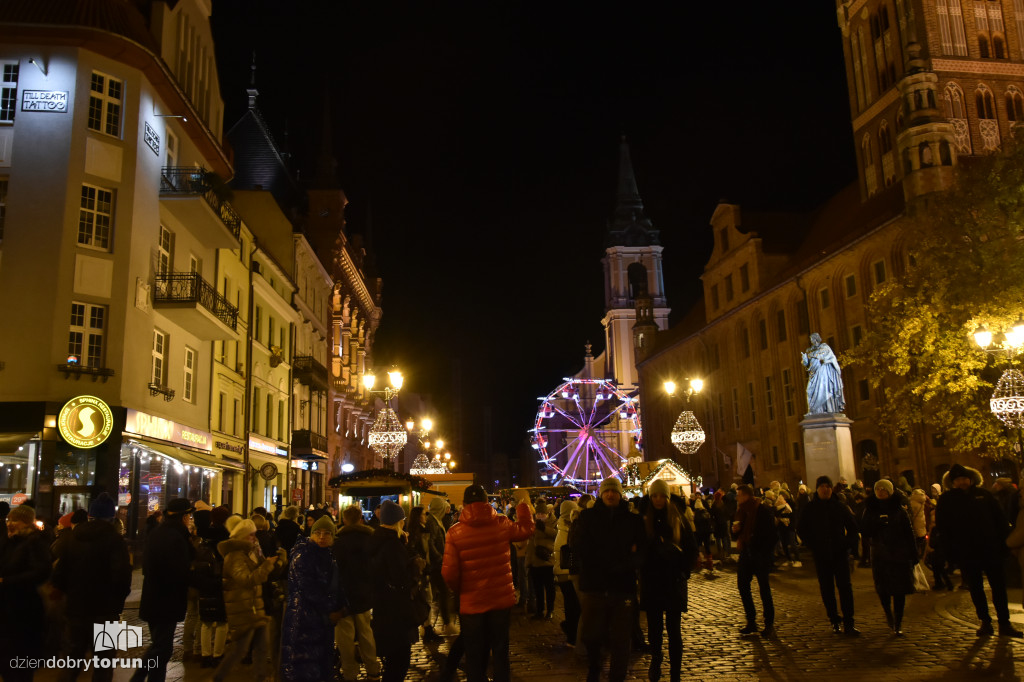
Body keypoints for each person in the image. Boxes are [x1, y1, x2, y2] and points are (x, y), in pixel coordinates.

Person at [443, 485, 534, 682]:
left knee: (474, 653)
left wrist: (462, 590)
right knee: (500, 649)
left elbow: (449, 573)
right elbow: (526, 529)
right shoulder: (502, 523)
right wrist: (523, 506)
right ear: (486, 502)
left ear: (465, 504)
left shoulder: (454, 532)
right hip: (500, 600)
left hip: (471, 601)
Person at [570, 476, 646, 682]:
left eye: (614, 491)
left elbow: (642, 551)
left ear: (620, 494)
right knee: (592, 635)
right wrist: (619, 554)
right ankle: (594, 667)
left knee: (621, 637)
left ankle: (617, 677)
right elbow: (580, 546)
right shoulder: (587, 517)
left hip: (622, 586)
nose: (610, 494)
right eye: (607, 491)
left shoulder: (633, 521)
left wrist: (625, 563)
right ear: (601, 494)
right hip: (594, 585)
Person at [51, 493, 132, 682]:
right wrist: (117, 601)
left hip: (76, 610)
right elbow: (121, 576)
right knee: (104, 664)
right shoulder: (114, 541)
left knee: (72, 661)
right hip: (105, 611)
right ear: (111, 516)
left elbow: (59, 574)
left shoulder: (73, 539)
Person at [937, 463, 1022, 637]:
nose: (962, 482)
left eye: (964, 479)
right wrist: (949, 552)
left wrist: (1004, 544)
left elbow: (1000, 520)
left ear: (971, 479)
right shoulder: (947, 500)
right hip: (966, 552)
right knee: (976, 589)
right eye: (958, 480)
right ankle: (985, 622)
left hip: (991, 550)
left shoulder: (984, 495)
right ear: (953, 482)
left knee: (998, 587)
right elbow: (943, 528)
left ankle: (1004, 623)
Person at [131, 499, 195, 682]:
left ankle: (142, 678)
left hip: (156, 598)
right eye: (189, 515)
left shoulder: (162, 532)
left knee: (159, 646)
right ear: (183, 517)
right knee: (161, 648)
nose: (190, 519)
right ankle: (140, 678)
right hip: (165, 600)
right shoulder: (173, 536)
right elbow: (178, 570)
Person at [640, 480, 697, 682]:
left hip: (673, 580)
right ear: (650, 497)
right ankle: (656, 660)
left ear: (666, 497)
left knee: (674, 630)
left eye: (661, 496)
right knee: (654, 628)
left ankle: (675, 672)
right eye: (654, 496)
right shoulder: (643, 519)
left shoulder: (678, 519)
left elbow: (691, 549)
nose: (658, 499)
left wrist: (683, 570)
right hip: (652, 581)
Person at [281, 515, 346, 681]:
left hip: (318, 621)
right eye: (318, 533)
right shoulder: (304, 555)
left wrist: (342, 605)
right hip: (304, 620)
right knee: (304, 668)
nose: (322, 537)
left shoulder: (327, 556)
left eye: (327, 533)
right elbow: (309, 589)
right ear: (311, 534)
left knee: (318, 665)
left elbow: (334, 586)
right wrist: (332, 608)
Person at [798, 476, 860, 636]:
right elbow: (802, 529)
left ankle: (849, 622)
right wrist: (813, 545)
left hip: (840, 554)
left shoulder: (840, 507)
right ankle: (834, 620)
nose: (825, 489)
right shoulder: (810, 508)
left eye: (828, 486)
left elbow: (853, 529)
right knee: (827, 589)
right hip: (821, 555)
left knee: (845, 588)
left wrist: (847, 544)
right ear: (817, 489)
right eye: (822, 486)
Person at [0, 504, 52, 682]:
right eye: (9, 519)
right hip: (8, 608)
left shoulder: (34, 542)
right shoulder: (10, 542)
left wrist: (7, 581)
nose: (10, 523)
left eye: (15, 520)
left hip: (23, 608)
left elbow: (41, 571)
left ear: (26, 523)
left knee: (19, 661)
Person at [370, 500, 421, 682]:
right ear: (397, 521)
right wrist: (415, 569)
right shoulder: (393, 545)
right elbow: (401, 579)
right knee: (399, 662)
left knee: (392, 662)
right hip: (396, 612)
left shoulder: (378, 539)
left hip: (382, 609)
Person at [861, 480, 917, 635]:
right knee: (883, 589)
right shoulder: (870, 509)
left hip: (899, 554)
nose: (880, 491)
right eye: (877, 489)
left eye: (883, 489)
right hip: (880, 554)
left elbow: (908, 532)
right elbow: (864, 530)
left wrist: (914, 553)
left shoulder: (899, 510)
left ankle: (898, 622)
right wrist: (876, 524)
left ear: (890, 491)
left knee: (900, 590)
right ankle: (888, 613)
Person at [333, 505, 381, 682]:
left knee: (345, 638)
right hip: (364, 594)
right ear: (361, 518)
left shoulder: (339, 542)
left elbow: (335, 571)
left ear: (344, 520)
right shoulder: (370, 539)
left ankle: (349, 673)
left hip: (344, 596)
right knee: (366, 634)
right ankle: (372, 670)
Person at [732, 484, 776, 640]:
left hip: (760, 554)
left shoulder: (761, 510)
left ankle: (768, 623)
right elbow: (740, 531)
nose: (737, 498)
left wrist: (762, 549)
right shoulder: (741, 511)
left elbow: (771, 534)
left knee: (764, 589)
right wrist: (736, 533)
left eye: (739, 495)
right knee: (743, 586)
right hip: (746, 553)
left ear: (746, 496)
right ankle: (751, 621)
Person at [553, 499, 581, 648]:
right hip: (566, 573)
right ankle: (572, 635)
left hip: (563, 573)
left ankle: (572, 632)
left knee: (571, 606)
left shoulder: (561, 528)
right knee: (573, 606)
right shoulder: (566, 531)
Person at [526, 499, 557, 619]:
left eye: (542, 514)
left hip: (547, 560)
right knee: (537, 588)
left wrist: (544, 528)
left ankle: (550, 610)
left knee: (549, 588)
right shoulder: (532, 523)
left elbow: (555, 534)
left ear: (547, 513)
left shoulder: (553, 522)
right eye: (538, 514)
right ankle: (539, 611)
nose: (540, 516)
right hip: (535, 560)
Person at [801, 332, 845, 414]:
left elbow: (829, 357)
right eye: (810, 339)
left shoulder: (824, 346)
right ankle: (813, 410)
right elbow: (806, 364)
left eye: (812, 338)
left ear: (816, 339)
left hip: (822, 372)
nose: (811, 340)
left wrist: (821, 358)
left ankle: (824, 410)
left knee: (822, 390)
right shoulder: (809, 350)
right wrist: (804, 360)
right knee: (809, 391)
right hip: (813, 373)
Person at [774, 493, 800, 567]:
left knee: (792, 543)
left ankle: (797, 559)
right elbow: (776, 515)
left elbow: (792, 516)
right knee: (785, 545)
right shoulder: (777, 508)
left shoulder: (789, 506)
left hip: (789, 528)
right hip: (781, 528)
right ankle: (789, 559)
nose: (779, 500)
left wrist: (792, 525)